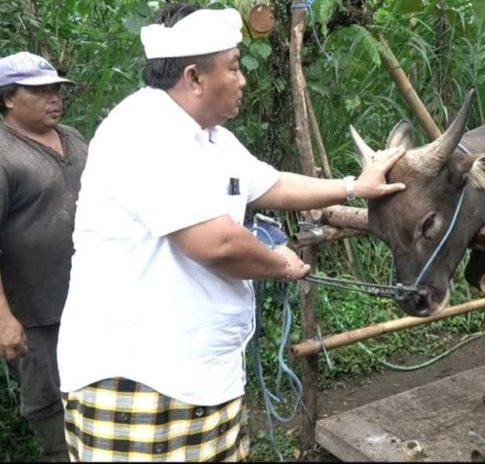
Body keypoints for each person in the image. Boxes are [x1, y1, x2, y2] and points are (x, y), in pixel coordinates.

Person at [56, 3, 406, 462]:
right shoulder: (143, 130)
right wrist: (281, 264)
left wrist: (352, 186)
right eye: (234, 67)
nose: (243, 79)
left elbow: (273, 183)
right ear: (194, 77)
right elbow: (214, 241)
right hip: (140, 377)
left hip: (200, 373)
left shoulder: (211, 136)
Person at [0, 51, 87, 462]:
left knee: (90, 392)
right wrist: (5, 319)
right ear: (8, 99)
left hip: (89, 302)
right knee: (47, 404)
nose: (54, 98)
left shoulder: (74, 138)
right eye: (39, 91)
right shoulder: (5, 154)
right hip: (34, 312)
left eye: (55, 89)